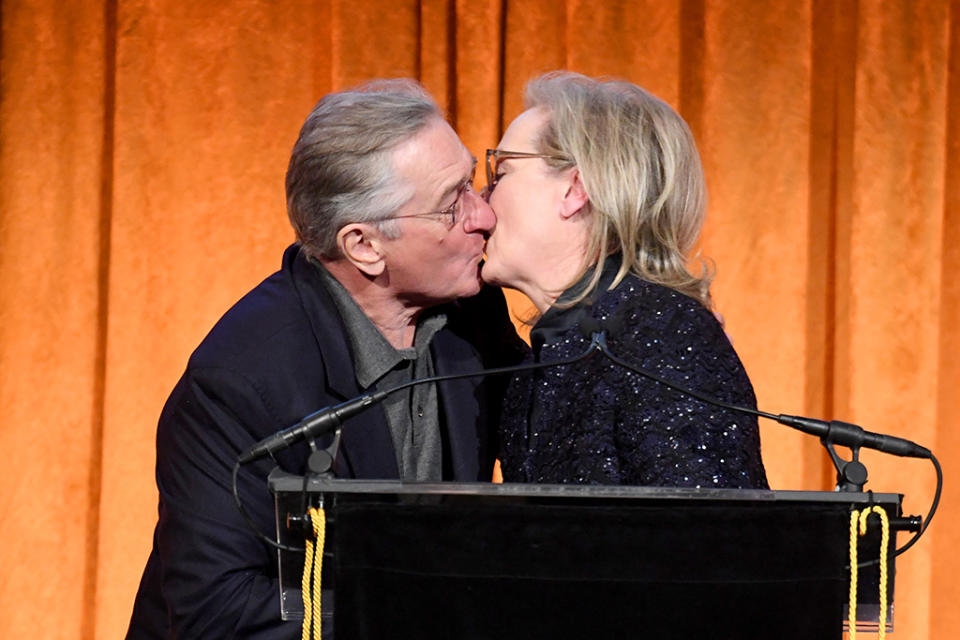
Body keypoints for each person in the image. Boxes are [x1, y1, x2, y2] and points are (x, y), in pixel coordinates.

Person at [127, 79, 524, 638]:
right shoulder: (239, 381)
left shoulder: (474, 309)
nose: (483, 216)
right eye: (450, 204)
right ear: (364, 246)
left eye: (472, 184)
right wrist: (425, 606)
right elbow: (219, 613)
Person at [482, 71, 768, 489]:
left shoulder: (665, 333)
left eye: (502, 171)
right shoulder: (546, 357)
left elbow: (715, 538)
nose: (483, 196)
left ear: (575, 189)